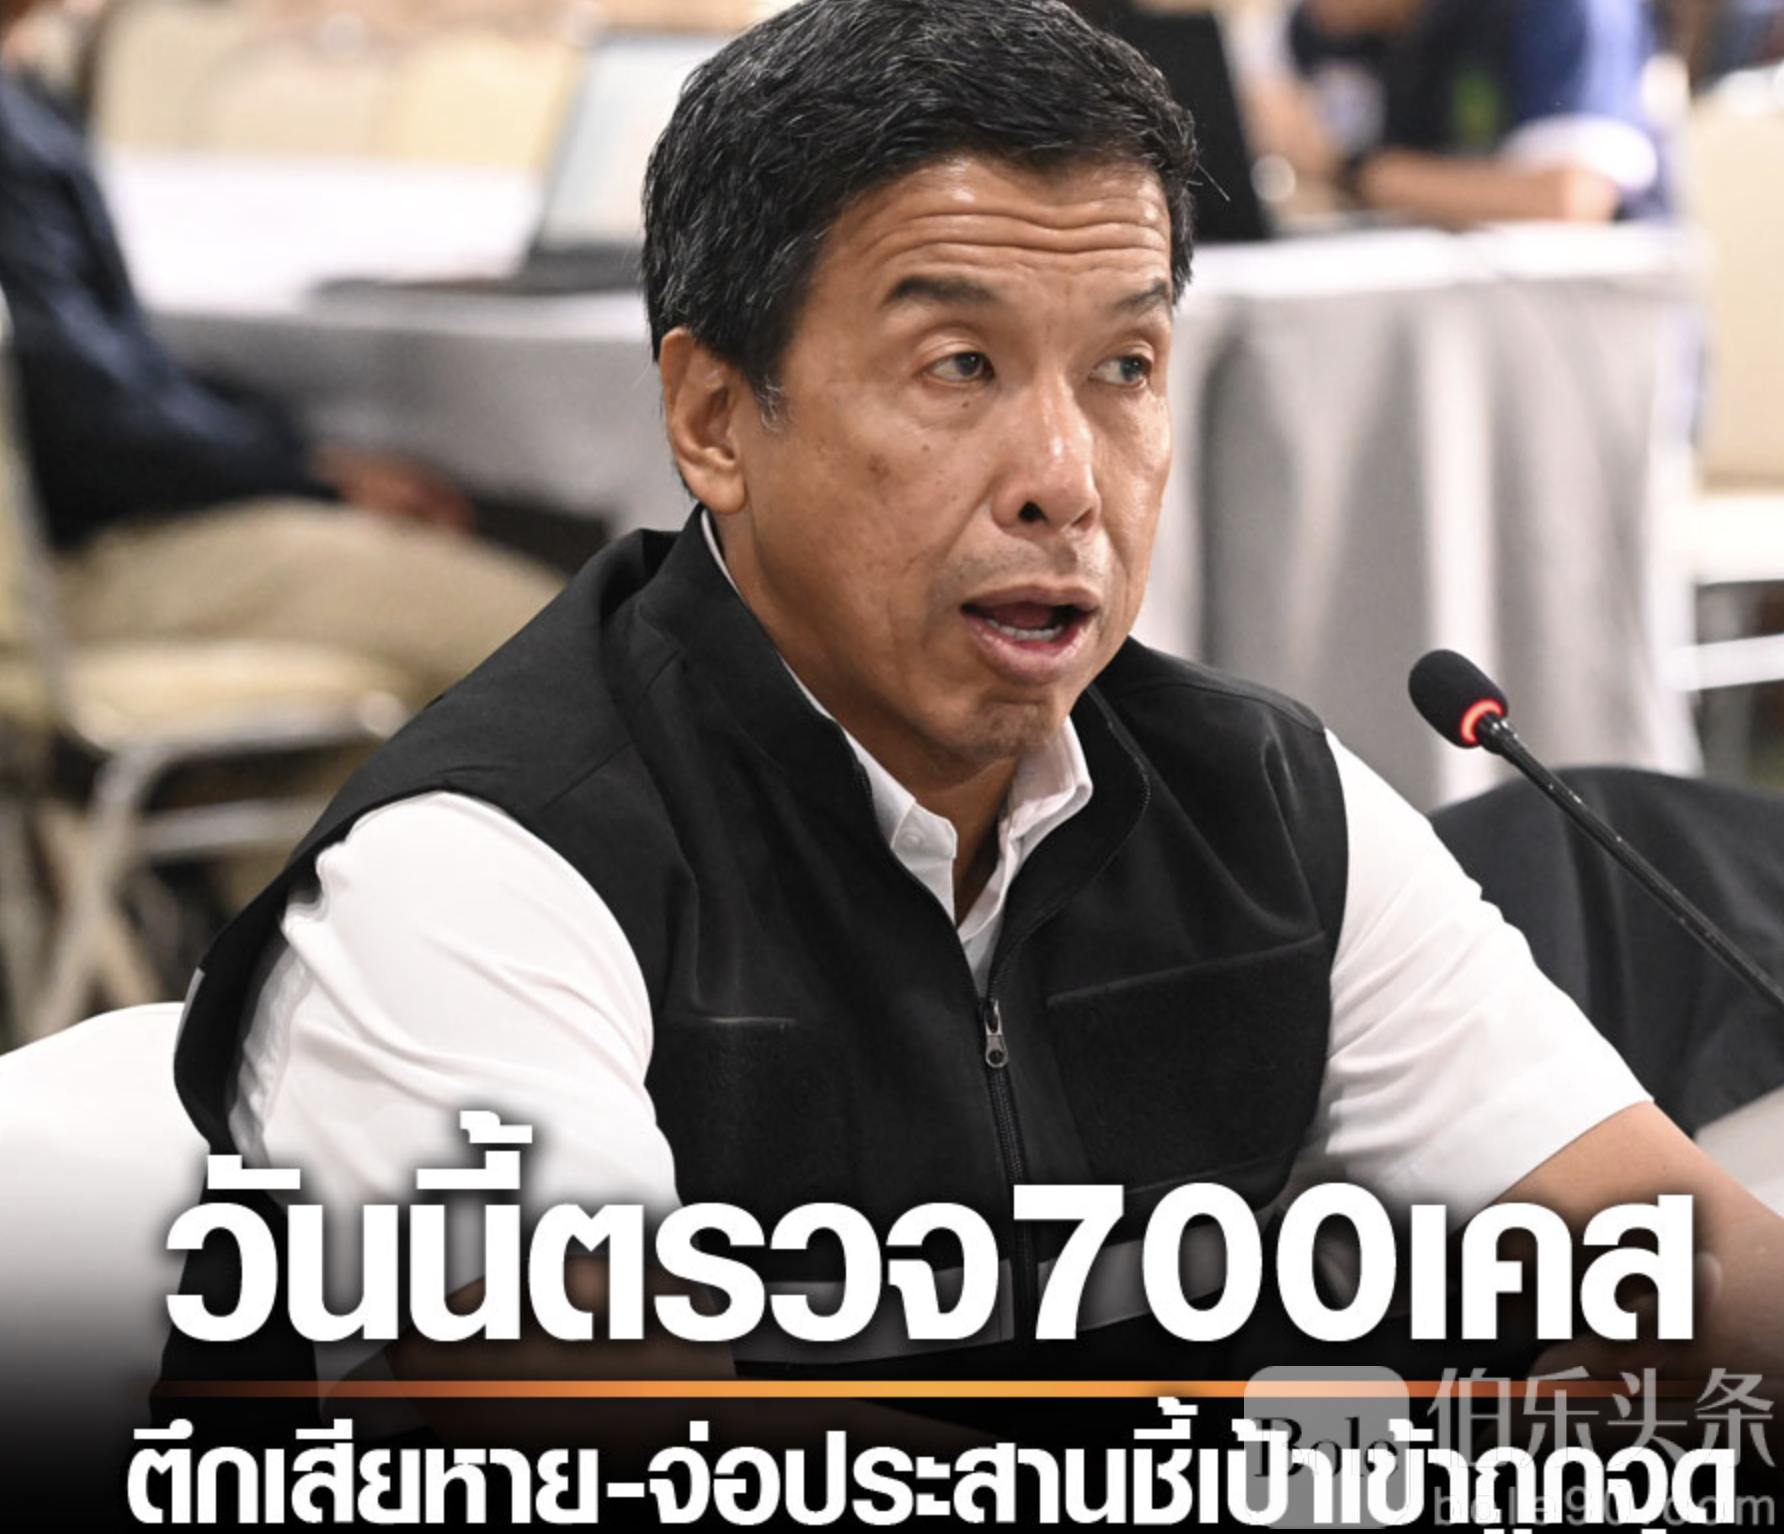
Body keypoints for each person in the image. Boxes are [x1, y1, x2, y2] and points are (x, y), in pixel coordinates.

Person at [166, 0, 1780, 1443]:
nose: (1064, 478)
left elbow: (1687, 1261)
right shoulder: (490, 860)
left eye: (1124, 367)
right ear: (713, 417)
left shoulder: (1262, 798)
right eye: (956, 365)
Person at [0, 0, 561, 708]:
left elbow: (114, 384)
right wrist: (307, 479)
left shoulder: (29, 95)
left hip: (97, 530)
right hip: (70, 574)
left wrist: (302, 459)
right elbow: (92, 423)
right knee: (563, 648)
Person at [1281, 0, 1672, 225]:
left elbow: (1571, 200)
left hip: (1589, 321)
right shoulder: (1323, 29)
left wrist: (1357, 174)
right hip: (1439, 318)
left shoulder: (1562, 10)